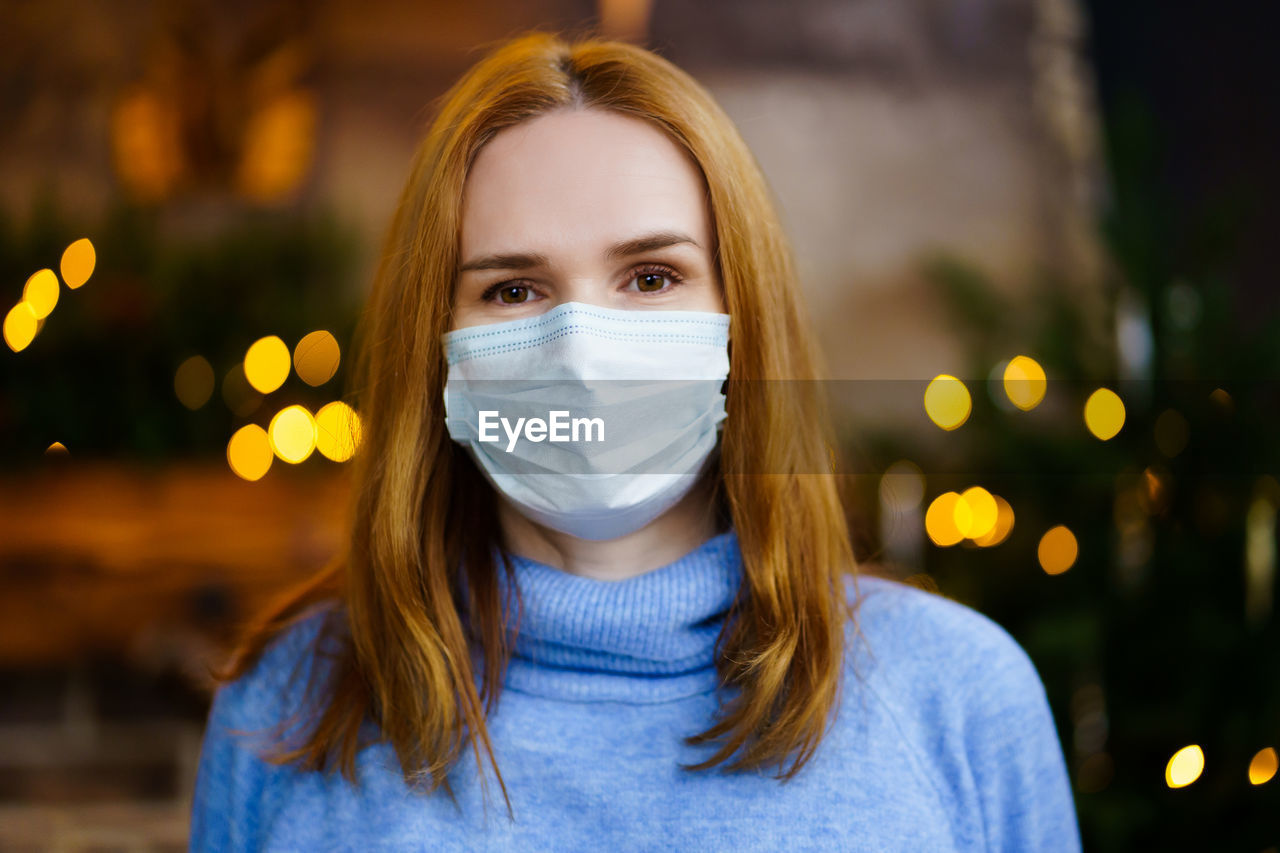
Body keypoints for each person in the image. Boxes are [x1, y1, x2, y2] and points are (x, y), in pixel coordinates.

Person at [188, 29, 1083, 851]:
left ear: (742, 321)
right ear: (438, 348)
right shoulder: (288, 699)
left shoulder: (957, 692)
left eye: (651, 276)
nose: (581, 348)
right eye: (512, 289)